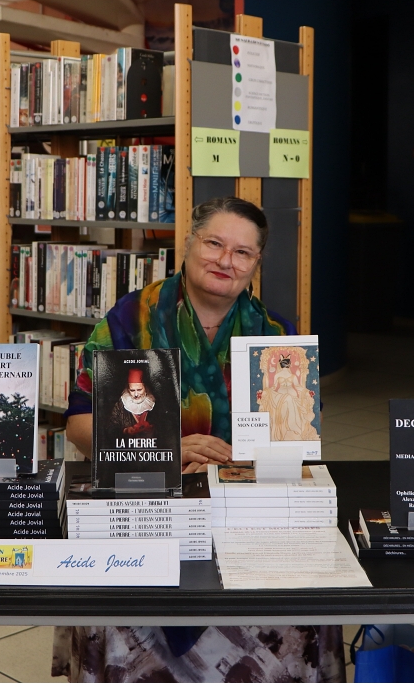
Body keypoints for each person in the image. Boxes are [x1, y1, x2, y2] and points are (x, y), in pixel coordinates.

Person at [54, 196, 344, 683]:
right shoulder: (131, 321)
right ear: (188, 244)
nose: (225, 261)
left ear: (255, 265)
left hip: (246, 516)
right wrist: (163, 446)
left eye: (243, 252)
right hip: (149, 506)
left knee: (303, 586)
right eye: (214, 243)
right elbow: (79, 425)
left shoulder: (275, 335)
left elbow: (296, 446)